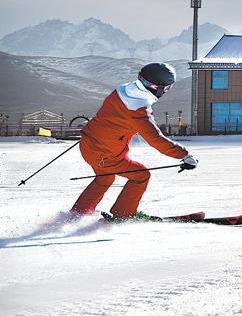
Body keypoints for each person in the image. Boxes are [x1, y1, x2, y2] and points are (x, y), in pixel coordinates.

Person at [71, 62, 198, 220]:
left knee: (105, 177)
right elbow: (155, 139)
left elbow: (112, 117)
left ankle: (79, 213)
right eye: (167, 88)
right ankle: (123, 215)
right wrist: (184, 155)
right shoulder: (138, 109)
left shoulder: (123, 89)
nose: (166, 92)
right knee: (141, 175)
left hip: (90, 144)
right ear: (157, 87)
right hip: (106, 154)